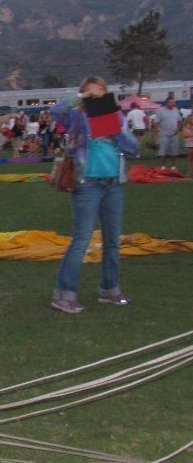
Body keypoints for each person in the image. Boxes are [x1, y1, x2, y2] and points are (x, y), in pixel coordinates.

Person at [48, 77, 139, 313]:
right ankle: (64, 294)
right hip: (87, 184)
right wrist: (80, 99)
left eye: (101, 94)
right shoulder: (77, 117)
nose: (97, 98)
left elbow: (134, 148)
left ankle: (109, 289)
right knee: (81, 240)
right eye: (91, 95)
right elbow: (55, 112)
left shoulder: (117, 119)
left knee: (112, 241)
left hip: (113, 184)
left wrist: (115, 132)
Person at [152, 97, 182, 171]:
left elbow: (180, 121)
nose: (174, 104)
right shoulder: (160, 111)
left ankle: (173, 166)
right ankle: (163, 166)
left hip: (174, 133)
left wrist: (178, 129)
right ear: (167, 103)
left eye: (174, 103)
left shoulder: (176, 110)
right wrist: (156, 134)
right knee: (163, 150)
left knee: (174, 150)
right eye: (172, 103)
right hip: (164, 133)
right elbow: (156, 123)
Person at [183, 113, 193, 177]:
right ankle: (190, 171)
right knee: (190, 158)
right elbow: (185, 135)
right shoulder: (185, 127)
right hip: (189, 144)